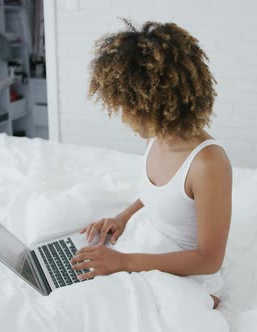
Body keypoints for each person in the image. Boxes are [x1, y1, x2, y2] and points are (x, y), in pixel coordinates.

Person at [70, 19, 232, 309]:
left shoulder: (209, 163)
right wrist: (123, 216)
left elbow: (209, 259)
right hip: (150, 250)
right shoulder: (156, 138)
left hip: (192, 278)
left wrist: (124, 262)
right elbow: (162, 194)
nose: (124, 117)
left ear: (156, 102)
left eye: (129, 107)